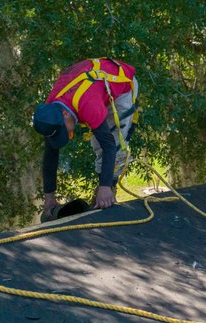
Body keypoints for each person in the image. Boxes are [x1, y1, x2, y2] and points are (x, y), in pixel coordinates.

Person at [32, 58, 139, 219]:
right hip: (93, 88)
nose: (67, 135)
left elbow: (108, 145)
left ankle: (108, 192)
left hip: (120, 86)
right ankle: (102, 191)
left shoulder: (88, 105)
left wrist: (105, 186)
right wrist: (49, 197)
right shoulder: (50, 112)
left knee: (114, 142)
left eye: (64, 131)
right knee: (98, 144)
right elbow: (50, 152)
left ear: (65, 114)